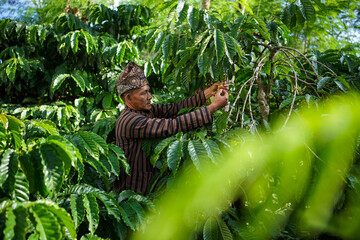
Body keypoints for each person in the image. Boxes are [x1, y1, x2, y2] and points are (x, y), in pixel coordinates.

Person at [114, 61, 229, 195]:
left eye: (148, 91)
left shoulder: (143, 111)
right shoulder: (130, 120)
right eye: (144, 93)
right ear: (128, 98)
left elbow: (174, 109)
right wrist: (212, 108)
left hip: (149, 187)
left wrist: (207, 94)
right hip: (134, 192)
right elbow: (170, 126)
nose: (150, 97)